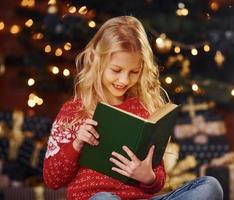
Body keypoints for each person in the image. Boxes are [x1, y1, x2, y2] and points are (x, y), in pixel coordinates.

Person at [43, 16, 223, 200]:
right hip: (98, 198)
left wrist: (148, 177)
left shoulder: (143, 111)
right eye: (116, 70)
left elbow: (158, 177)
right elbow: (52, 179)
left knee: (210, 187)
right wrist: (76, 145)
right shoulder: (73, 112)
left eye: (134, 72)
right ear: (98, 61)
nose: (124, 80)